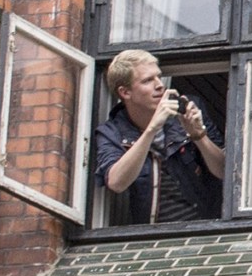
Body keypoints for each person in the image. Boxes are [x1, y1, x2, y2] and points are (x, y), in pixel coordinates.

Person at [93, 48, 225, 223]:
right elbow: (116, 182)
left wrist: (199, 137)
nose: (160, 85)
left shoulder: (188, 109)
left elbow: (225, 170)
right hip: (156, 236)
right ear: (125, 92)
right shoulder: (111, 132)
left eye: (159, 77)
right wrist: (152, 129)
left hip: (206, 226)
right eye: (148, 80)